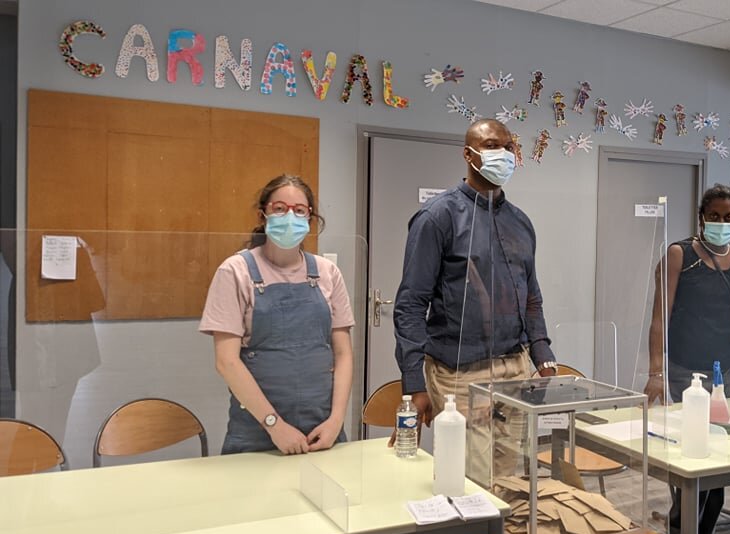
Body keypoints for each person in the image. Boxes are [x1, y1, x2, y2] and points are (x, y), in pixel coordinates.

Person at [393, 119, 557, 483]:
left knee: (506, 476)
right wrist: (413, 383)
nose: (505, 154)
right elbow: (410, 304)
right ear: (468, 154)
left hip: (514, 367)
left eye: (510, 146)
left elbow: (531, 295)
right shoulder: (438, 217)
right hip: (459, 374)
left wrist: (542, 353)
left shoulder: (520, 222)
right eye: (493, 145)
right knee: (473, 478)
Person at [645, 182, 730, 534]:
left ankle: (701, 533)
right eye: (714, 216)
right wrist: (656, 371)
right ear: (701, 218)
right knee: (692, 456)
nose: (722, 222)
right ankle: (681, 529)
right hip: (686, 370)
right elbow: (660, 316)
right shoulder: (679, 254)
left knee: (720, 455)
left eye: (729, 217)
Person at [200, 174, 354, 455]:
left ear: (310, 218)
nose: (290, 217)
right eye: (280, 208)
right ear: (264, 214)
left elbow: (343, 354)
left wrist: (336, 420)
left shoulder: (327, 273)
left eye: (299, 210)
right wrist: (275, 426)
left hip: (322, 433)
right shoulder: (235, 271)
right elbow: (226, 361)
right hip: (257, 433)